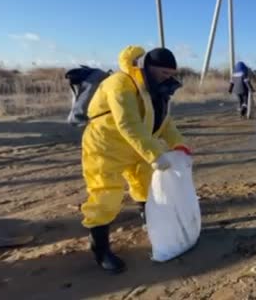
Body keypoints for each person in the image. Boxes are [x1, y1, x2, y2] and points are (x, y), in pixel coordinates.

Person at [81, 45, 191, 273]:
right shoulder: (119, 83)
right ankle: (100, 250)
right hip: (106, 148)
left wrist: (178, 143)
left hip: (138, 148)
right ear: (148, 67)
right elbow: (128, 123)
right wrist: (155, 154)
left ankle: (149, 221)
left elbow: (165, 122)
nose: (167, 79)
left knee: (145, 186)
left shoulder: (155, 89)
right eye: (164, 73)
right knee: (105, 197)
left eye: (171, 75)